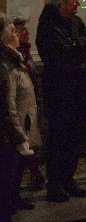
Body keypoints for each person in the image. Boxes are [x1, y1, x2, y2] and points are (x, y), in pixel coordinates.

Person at [35, 0, 86, 202]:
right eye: (74, 1)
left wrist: (78, 47)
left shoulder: (76, 23)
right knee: (58, 137)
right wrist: (78, 48)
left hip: (77, 89)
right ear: (62, 4)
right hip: (58, 91)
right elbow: (61, 53)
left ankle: (69, 179)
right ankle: (55, 184)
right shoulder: (49, 25)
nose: (78, 5)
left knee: (75, 136)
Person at [1, 14, 34, 222]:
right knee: (4, 190)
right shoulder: (5, 66)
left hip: (9, 137)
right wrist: (20, 137)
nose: (17, 35)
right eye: (13, 31)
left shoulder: (12, 61)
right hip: (6, 140)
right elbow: (7, 107)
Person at [12, 16, 44, 193]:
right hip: (19, 109)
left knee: (28, 144)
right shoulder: (15, 56)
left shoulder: (25, 52)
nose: (27, 33)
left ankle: (34, 175)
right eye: (23, 30)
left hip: (29, 106)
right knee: (22, 145)